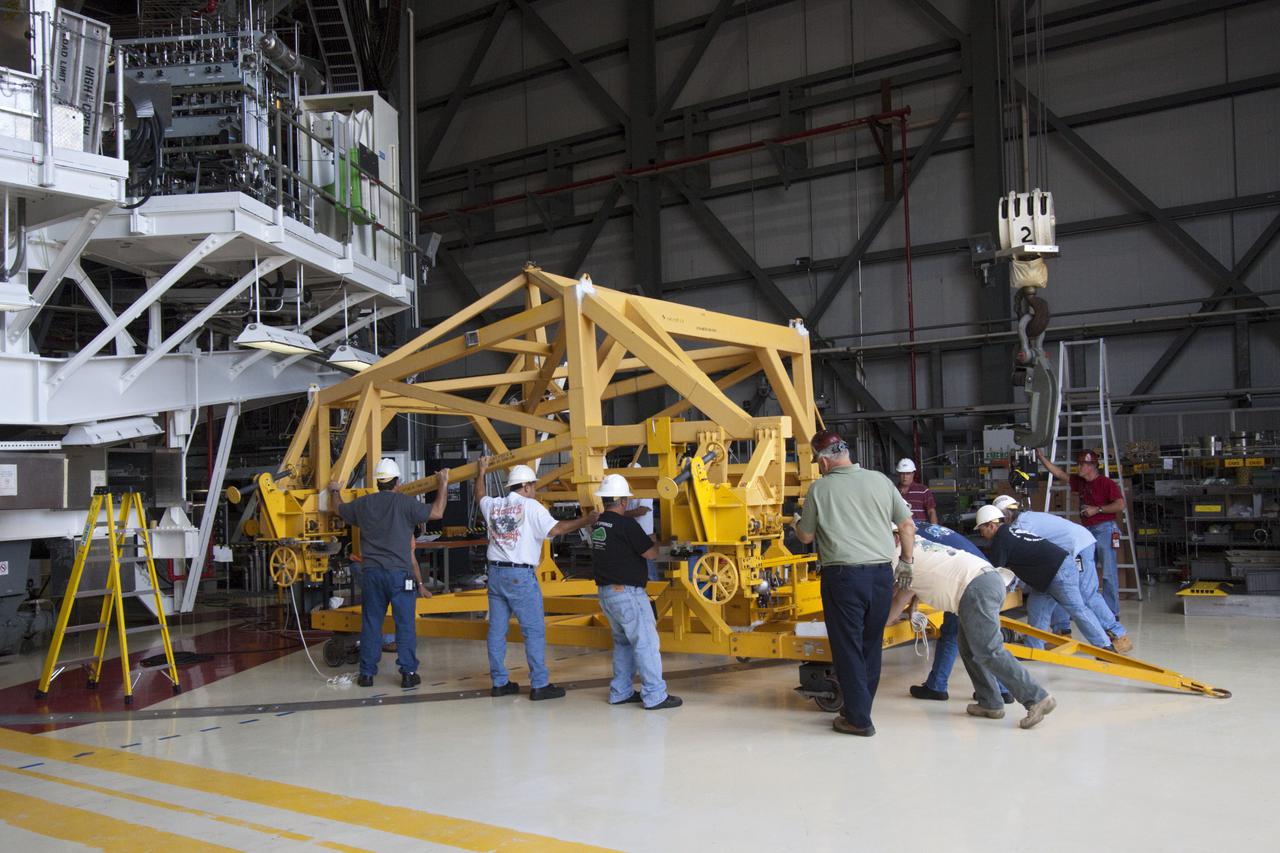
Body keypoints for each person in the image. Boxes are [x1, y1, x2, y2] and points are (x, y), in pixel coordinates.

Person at [794, 430, 915, 737]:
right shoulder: (880, 481)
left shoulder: (820, 489)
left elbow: (806, 536)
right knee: (870, 645)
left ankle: (859, 720)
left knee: (847, 648)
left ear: (823, 462)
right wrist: (907, 561)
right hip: (881, 576)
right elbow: (906, 524)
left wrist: (796, 522)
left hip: (844, 578)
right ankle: (857, 709)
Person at [888, 528, 1057, 729]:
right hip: (984, 582)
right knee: (968, 648)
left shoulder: (896, 557)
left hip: (975, 589)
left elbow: (891, 596)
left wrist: (873, 626)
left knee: (989, 651)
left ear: (895, 537)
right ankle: (989, 702)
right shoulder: (915, 546)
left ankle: (1037, 698)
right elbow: (902, 595)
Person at [477, 456, 598, 701]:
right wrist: (586, 520)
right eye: (533, 485)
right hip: (519, 576)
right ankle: (540, 685)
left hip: (496, 574)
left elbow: (479, 494)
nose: (534, 490)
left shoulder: (494, 505)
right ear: (526, 486)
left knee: (497, 631)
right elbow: (556, 529)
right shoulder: (531, 507)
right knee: (533, 631)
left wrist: (481, 471)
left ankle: (499, 683)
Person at [328, 458, 450, 688]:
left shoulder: (364, 505)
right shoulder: (405, 504)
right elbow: (437, 511)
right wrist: (443, 482)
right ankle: (408, 673)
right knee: (404, 624)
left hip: (372, 574)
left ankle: (366, 674)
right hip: (399, 576)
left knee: (371, 623)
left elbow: (339, 509)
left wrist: (335, 491)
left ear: (377, 482)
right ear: (398, 481)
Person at [992, 495, 1133, 654]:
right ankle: (1061, 633)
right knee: (1052, 593)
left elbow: (1022, 555)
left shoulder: (1021, 525)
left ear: (1005, 515)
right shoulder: (1026, 518)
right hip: (1064, 556)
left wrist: (1009, 585)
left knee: (1085, 594)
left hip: (1077, 548)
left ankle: (1119, 635)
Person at [590, 473, 680, 710]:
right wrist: (664, 543)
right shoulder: (626, 525)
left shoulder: (598, 525)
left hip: (607, 594)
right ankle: (655, 695)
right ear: (623, 501)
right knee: (646, 643)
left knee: (624, 643)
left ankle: (620, 692)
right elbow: (651, 553)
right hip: (627, 594)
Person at [907, 522, 1012, 704]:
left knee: (958, 637)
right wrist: (913, 604)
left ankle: (938, 686)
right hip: (985, 578)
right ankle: (1000, 690)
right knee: (978, 639)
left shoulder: (908, 538)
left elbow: (914, 570)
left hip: (968, 583)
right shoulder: (923, 528)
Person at [1037, 448, 1127, 618]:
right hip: (1087, 531)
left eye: (1081, 464)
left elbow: (1120, 504)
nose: (1078, 467)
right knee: (1082, 571)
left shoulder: (1106, 483)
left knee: (1108, 573)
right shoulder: (1081, 482)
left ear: (1091, 466)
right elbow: (1060, 474)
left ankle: (1112, 612)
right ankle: (1082, 608)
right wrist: (1042, 458)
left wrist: (1097, 509)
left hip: (1105, 529)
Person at [628, 462, 659, 580]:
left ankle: (654, 589)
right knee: (637, 568)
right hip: (632, 535)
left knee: (649, 570)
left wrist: (619, 515)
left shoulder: (646, 490)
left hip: (645, 535)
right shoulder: (628, 492)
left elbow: (642, 511)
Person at [895, 458, 938, 524]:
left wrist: (934, 528)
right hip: (899, 528)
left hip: (920, 528)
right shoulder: (893, 491)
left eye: (908, 473)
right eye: (902, 473)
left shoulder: (923, 490)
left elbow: (931, 511)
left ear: (913, 473)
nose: (905, 477)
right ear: (898, 474)